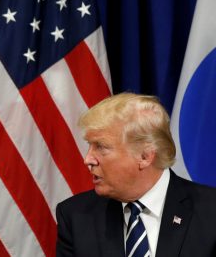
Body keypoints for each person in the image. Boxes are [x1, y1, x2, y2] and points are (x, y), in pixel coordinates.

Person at [56, 92, 216, 257]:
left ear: (145, 156)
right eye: (90, 145)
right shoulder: (76, 216)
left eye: (101, 147)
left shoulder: (210, 212)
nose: (88, 159)